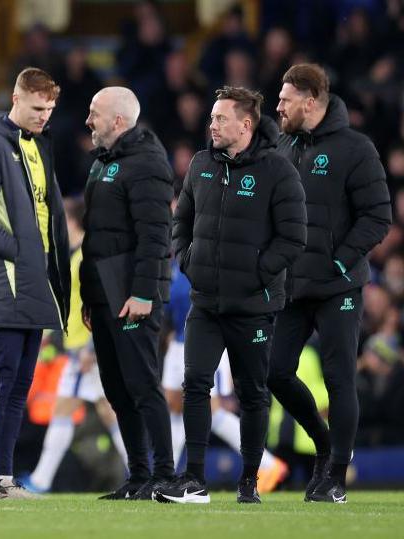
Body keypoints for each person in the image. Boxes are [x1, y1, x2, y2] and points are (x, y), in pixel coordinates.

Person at [159, 86, 306, 504]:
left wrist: (257, 274)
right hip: (206, 301)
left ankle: (249, 481)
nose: (212, 125)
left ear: (246, 124)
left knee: (253, 392)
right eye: (211, 118)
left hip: (253, 305)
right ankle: (194, 480)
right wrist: (188, 261)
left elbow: (294, 236)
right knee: (195, 385)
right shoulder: (202, 164)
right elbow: (180, 221)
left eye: (220, 118)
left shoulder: (278, 170)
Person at [269, 63, 391, 503]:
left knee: (340, 378)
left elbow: (378, 216)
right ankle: (324, 446)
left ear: (310, 100)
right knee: (274, 372)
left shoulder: (356, 148)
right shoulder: (283, 146)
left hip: (338, 287)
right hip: (291, 286)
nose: (278, 106)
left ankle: (336, 475)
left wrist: (340, 263)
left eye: (285, 99)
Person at [0, 67, 70, 500]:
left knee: (21, 380)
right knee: (0, 376)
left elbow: (49, 215)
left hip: (35, 279)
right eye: (38, 108)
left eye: (50, 109)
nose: (44, 116)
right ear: (16, 99)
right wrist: (17, 251)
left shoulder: (38, 148)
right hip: (6, 277)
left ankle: (2, 477)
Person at [79, 86, 175, 499]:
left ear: (119, 120)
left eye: (94, 113)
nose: (88, 120)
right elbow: (96, 236)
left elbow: (156, 237)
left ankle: (166, 475)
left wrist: (143, 293)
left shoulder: (148, 163)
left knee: (143, 385)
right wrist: (88, 295)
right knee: (117, 389)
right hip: (103, 294)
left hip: (133, 294)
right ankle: (138, 476)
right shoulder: (102, 163)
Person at [21, 199, 129, 494]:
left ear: (72, 222)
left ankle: (141, 470)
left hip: (86, 351)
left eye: (62, 221)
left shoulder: (87, 257)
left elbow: (103, 304)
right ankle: (41, 479)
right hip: (78, 348)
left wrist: (93, 347)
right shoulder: (77, 256)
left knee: (101, 411)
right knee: (84, 411)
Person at [163, 257, 289, 493]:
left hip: (208, 336)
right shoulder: (176, 263)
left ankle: (268, 464)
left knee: (211, 406)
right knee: (174, 404)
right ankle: (166, 472)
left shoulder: (206, 259)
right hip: (180, 338)